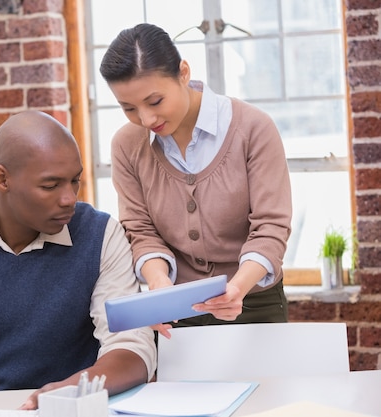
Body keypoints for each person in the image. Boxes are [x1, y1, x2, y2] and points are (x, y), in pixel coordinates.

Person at [0, 110, 156, 409]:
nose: (69, 198)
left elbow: (133, 350)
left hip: (74, 409)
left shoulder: (101, 234)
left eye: (74, 181)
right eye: (50, 185)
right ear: (2, 179)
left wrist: (67, 390)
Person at [99, 23, 292, 338]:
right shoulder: (126, 145)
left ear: (183, 72)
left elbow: (270, 228)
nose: (146, 119)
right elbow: (140, 230)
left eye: (155, 101)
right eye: (129, 108)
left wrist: (238, 288)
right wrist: (159, 285)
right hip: (177, 313)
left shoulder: (253, 129)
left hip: (253, 302)